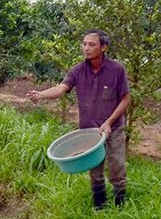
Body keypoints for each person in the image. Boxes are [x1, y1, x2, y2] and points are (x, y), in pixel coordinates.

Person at [26, 30, 130, 209]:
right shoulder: (78, 70)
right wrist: (41, 94)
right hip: (90, 131)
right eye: (84, 44)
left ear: (103, 47)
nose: (86, 48)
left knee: (116, 167)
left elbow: (126, 99)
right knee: (95, 171)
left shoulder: (117, 70)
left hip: (113, 128)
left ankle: (120, 208)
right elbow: (61, 88)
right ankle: (99, 208)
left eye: (91, 44)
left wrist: (109, 122)